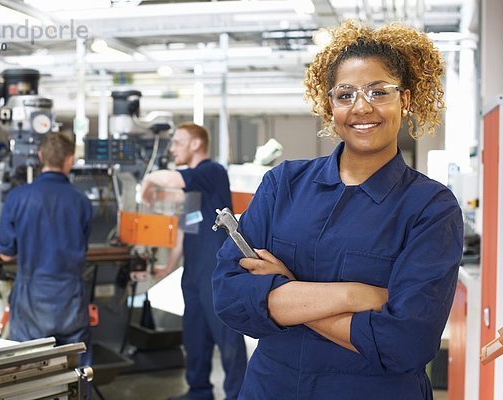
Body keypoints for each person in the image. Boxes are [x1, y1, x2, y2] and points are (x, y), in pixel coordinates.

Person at [212, 20, 464, 399]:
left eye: (379, 92)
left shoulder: (430, 208)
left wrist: (290, 293)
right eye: (345, 94)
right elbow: (230, 298)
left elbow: (406, 342)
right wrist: (353, 296)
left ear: (406, 99)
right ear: (330, 104)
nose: (361, 107)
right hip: (272, 388)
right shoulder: (283, 185)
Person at [140, 123, 247, 400]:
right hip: (194, 275)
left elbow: (173, 179)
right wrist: (168, 267)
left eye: (177, 142)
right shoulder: (193, 191)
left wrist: (149, 179)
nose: (173, 148)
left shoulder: (211, 172)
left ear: (196, 144)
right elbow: (185, 231)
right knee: (195, 338)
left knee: (228, 339)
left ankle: (238, 395)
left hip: (217, 273)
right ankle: (199, 392)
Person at [0, 132, 93, 367]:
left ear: (40, 156)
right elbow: (82, 243)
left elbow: (6, 253)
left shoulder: (17, 198)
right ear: (69, 159)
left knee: (30, 369)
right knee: (75, 370)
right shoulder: (82, 201)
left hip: (31, 298)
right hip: (71, 297)